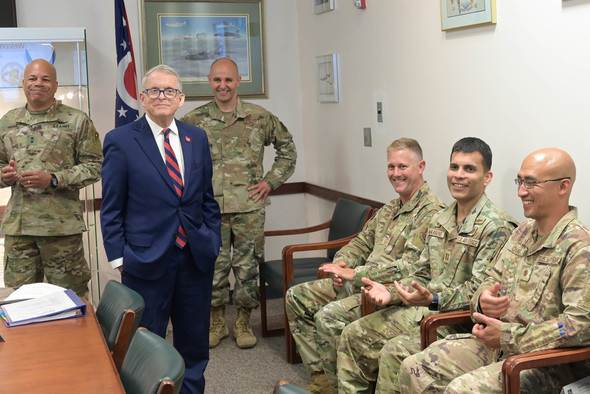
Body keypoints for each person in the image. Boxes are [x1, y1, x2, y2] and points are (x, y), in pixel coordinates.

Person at [398, 148, 590, 393]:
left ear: (563, 187)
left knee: (461, 390)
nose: (521, 191)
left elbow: (580, 325)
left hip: (544, 364)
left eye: (531, 183)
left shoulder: (579, 246)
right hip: (498, 346)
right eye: (520, 181)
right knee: (414, 367)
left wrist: (509, 336)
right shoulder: (522, 233)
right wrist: (484, 301)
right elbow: (489, 280)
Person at [337, 137, 518, 393]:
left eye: (469, 169)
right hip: (424, 309)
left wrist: (432, 299)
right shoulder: (442, 217)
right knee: (354, 333)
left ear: (487, 177)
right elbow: (421, 271)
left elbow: (477, 293)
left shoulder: (496, 227)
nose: (458, 175)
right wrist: (392, 292)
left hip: (455, 321)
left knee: (394, 352)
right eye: (454, 167)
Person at [285, 138, 445, 393]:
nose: (395, 174)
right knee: (297, 297)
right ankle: (323, 376)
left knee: (329, 317)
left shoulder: (433, 213)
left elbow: (410, 268)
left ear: (421, 166)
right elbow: (361, 242)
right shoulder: (391, 208)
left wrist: (354, 274)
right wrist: (342, 262)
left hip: (385, 291)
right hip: (357, 281)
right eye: (391, 167)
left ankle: (340, 386)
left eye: (402, 166)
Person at [101, 64, 221, 394]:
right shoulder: (121, 141)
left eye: (169, 90)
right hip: (144, 260)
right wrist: (119, 259)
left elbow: (207, 199)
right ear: (142, 98)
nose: (162, 96)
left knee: (194, 344)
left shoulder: (196, 137)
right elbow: (111, 208)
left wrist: (212, 240)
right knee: (147, 345)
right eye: (154, 90)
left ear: (180, 99)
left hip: (194, 257)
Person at [180, 57, 297, 349]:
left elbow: (288, 150)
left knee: (247, 269)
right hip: (209, 211)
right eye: (217, 80)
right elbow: (174, 158)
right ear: (209, 81)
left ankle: (244, 321)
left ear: (238, 81)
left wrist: (270, 181)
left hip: (248, 209)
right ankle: (216, 322)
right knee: (212, 267)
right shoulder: (193, 120)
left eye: (228, 80)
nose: (223, 86)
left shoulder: (259, 117)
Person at [0, 59, 102, 299]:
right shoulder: (7, 122)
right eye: (33, 79)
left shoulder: (77, 120)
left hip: (61, 231)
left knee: (69, 300)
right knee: (19, 300)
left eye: (45, 79)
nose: (39, 83)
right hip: (19, 230)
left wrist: (54, 179)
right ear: (23, 83)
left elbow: (95, 166)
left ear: (55, 86)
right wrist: (4, 176)